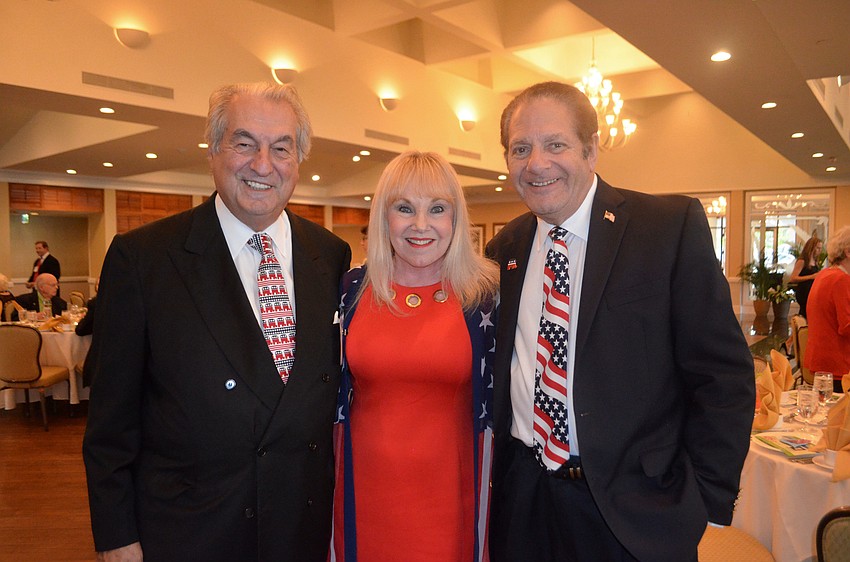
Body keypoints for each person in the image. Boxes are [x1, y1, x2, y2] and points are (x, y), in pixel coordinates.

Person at [485, 81, 755, 562]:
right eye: (520, 149)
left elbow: (722, 376)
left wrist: (706, 500)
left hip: (636, 511)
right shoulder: (504, 249)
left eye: (555, 144)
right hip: (524, 502)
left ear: (591, 150)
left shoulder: (666, 228)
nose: (536, 163)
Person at [82, 82, 351, 562]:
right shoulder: (144, 259)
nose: (262, 164)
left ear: (299, 159)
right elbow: (110, 422)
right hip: (191, 531)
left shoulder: (329, 255)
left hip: (301, 528)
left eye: (281, 148)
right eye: (244, 143)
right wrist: (116, 537)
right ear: (214, 150)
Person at [332, 151, 498, 561]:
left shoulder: (486, 296)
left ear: (455, 220)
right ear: (383, 217)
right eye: (404, 208)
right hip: (362, 490)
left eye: (437, 209)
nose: (420, 225)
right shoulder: (349, 290)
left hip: (453, 492)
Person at [804, 225, 850, 393]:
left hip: (822, 363)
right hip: (838, 365)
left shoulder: (825, 275)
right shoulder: (841, 280)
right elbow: (846, 327)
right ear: (848, 252)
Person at [788, 236, 822, 318]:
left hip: (811, 291)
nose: (819, 251)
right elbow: (793, 278)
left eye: (820, 248)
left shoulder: (815, 261)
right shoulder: (802, 261)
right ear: (812, 248)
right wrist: (811, 276)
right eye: (818, 248)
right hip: (804, 291)